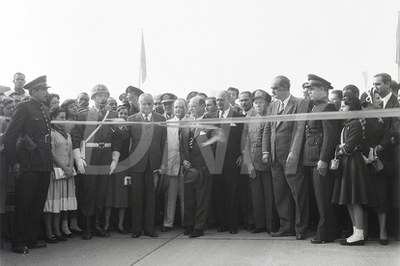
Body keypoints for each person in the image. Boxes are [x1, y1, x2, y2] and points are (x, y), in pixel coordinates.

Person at [3, 75, 53, 254]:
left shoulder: (44, 109)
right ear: (33, 91)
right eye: (43, 90)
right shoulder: (24, 107)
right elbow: (9, 137)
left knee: (37, 203)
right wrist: (14, 162)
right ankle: (18, 242)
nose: (46, 93)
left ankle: (30, 238)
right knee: (24, 204)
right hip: (28, 163)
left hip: (43, 161)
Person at [262, 75, 309, 240]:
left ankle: (301, 228)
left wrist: (294, 152)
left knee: (298, 193)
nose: (272, 91)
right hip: (275, 157)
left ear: (284, 88)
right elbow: (268, 128)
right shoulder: (272, 105)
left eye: (274, 88)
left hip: (290, 157)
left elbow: (299, 128)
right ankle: (286, 227)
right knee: (280, 194)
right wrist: (265, 151)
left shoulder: (299, 103)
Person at [114, 93, 166, 238]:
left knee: (151, 196)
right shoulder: (132, 119)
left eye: (150, 103)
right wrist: (120, 127)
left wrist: (162, 163)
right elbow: (124, 138)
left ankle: (149, 229)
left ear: (153, 104)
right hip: (136, 162)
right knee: (136, 196)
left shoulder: (161, 119)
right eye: (144, 103)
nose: (147, 106)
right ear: (139, 103)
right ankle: (137, 229)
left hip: (153, 162)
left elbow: (164, 142)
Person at [71, 84, 117, 240]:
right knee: (89, 191)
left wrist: (114, 159)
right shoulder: (84, 115)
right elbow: (76, 138)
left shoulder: (112, 115)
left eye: (105, 95)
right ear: (93, 97)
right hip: (89, 155)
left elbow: (117, 138)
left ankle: (97, 225)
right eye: (100, 95)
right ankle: (87, 227)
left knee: (101, 191)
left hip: (105, 155)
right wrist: (78, 158)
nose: (103, 97)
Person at [332, 92, 376, 246]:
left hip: (353, 164)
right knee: (349, 200)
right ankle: (356, 232)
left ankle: (359, 234)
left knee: (355, 199)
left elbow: (349, 148)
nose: (341, 109)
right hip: (347, 163)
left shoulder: (355, 124)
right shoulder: (347, 125)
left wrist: (341, 149)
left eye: (344, 106)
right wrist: (341, 147)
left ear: (353, 108)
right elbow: (343, 146)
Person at [302, 75, 339, 244]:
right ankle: (324, 229)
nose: (308, 91)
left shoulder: (328, 107)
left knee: (324, 198)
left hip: (319, 157)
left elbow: (330, 136)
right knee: (318, 197)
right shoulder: (315, 107)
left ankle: (326, 233)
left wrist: (324, 159)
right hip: (310, 157)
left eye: (312, 89)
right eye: (308, 88)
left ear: (323, 90)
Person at [180, 96, 217, 238]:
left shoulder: (210, 122)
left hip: (203, 167)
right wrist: (184, 160)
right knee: (189, 197)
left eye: (193, 106)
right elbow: (182, 145)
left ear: (202, 106)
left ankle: (199, 226)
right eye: (189, 106)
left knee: (202, 198)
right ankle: (189, 224)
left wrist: (206, 164)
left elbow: (213, 145)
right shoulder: (185, 123)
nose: (190, 109)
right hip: (189, 167)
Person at [242, 89, 278, 234]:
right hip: (254, 162)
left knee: (270, 196)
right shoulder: (249, 120)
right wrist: (249, 164)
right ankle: (260, 224)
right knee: (256, 196)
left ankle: (271, 225)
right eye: (255, 103)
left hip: (268, 163)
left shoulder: (272, 119)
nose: (258, 105)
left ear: (267, 104)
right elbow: (245, 144)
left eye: (261, 102)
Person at [43, 107, 78, 243]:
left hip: (67, 170)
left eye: (65, 117)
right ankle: (49, 231)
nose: (64, 120)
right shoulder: (51, 133)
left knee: (61, 201)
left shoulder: (67, 135)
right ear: (53, 118)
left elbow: (70, 152)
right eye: (61, 117)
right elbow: (51, 153)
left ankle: (57, 230)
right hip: (56, 169)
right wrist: (63, 167)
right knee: (52, 201)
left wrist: (70, 167)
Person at [360, 89, 390, 245]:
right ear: (369, 101)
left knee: (382, 197)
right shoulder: (361, 118)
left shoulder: (384, 118)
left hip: (379, 162)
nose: (380, 100)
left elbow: (388, 137)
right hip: (364, 161)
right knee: (364, 197)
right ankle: (363, 230)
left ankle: (382, 231)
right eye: (377, 98)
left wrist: (378, 149)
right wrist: (366, 154)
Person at [212, 90, 244, 234]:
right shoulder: (211, 117)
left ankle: (233, 225)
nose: (219, 102)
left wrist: (242, 154)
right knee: (218, 193)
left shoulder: (238, 117)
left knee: (232, 193)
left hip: (232, 160)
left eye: (221, 100)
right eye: (217, 100)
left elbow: (244, 138)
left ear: (229, 100)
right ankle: (222, 223)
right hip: (216, 161)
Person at [373, 72, 400, 240]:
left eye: (378, 84)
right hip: (378, 156)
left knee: (394, 193)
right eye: (374, 84)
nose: (375, 87)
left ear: (388, 85)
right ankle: (382, 231)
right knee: (381, 193)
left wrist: (382, 145)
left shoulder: (395, 103)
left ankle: (393, 231)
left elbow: (395, 130)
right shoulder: (375, 104)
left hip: (392, 154)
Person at [161, 98, 187, 232]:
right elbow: (165, 145)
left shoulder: (190, 123)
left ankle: (185, 221)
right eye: (176, 107)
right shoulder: (168, 124)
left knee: (185, 195)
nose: (178, 110)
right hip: (172, 162)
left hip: (186, 164)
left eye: (181, 107)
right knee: (170, 195)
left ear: (185, 108)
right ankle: (168, 222)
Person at [104, 105, 130, 234]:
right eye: (120, 114)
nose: (123, 116)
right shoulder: (111, 128)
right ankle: (107, 224)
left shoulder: (130, 129)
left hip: (125, 165)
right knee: (109, 195)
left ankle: (120, 225)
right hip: (111, 164)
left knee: (122, 196)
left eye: (125, 114)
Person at [59, 99, 82, 235]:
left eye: (75, 106)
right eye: (71, 106)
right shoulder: (65, 123)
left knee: (74, 194)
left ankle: (73, 222)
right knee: (65, 194)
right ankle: (65, 224)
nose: (74, 108)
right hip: (67, 159)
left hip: (77, 158)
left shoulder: (80, 120)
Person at [0, 98, 15, 244]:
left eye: (13, 107)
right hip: (2, 161)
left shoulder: (10, 121)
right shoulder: (2, 121)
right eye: (8, 107)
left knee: (4, 199)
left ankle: (5, 232)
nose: (11, 109)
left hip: (7, 164)